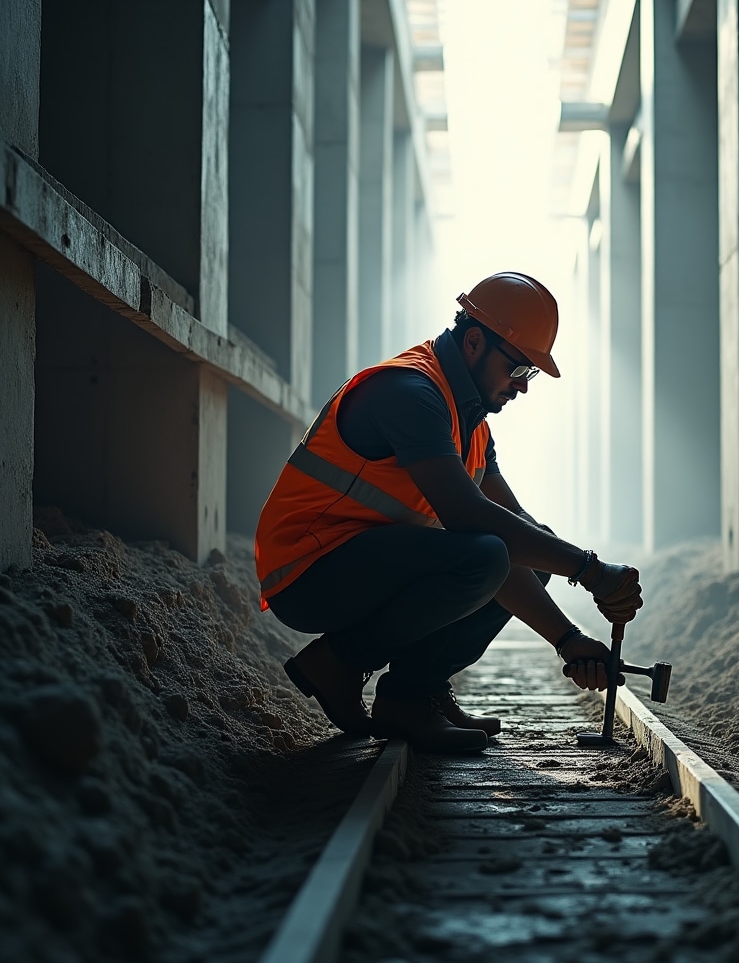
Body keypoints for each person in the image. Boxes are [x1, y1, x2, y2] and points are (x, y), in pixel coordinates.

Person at [254, 271, 643, 752]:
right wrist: (590, 570)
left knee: (529, 546)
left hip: (365, 565)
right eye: (518, 370)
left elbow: (518, 530)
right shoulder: (410, 392)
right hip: (309, 571)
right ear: (476, 341)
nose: (522, 388)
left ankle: (414, 694)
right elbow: (468, 516)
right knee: (484, 556)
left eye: (531, 375)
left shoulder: (471, 420)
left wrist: (567, 639)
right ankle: (338, 662)